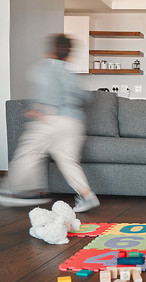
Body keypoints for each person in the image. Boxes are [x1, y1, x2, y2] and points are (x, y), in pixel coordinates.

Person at [1, 34, 100, 212]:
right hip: (74, 123)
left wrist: (38, 109)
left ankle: (19, 192)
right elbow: (85, 96)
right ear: (68, 54)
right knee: (68, 160)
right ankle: (87, 196)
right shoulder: (69, 73)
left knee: (28, 151)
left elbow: (47, 92)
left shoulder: (45, 68)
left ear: (52, 50)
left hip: (52, 119)